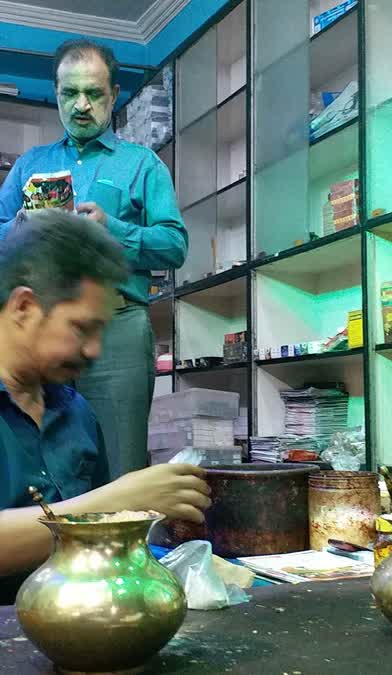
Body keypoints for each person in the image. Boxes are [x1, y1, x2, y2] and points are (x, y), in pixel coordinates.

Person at [0, 39, 188, 479]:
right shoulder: (30, 164)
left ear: (114, 95)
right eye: (70, 93)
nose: (81, 105)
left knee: (120, 465)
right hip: (37, 331)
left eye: (94, 93)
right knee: (34, 461)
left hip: (116, 330)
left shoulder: (143, 165)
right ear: (56, 93)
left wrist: (113, 228)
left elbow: (175, 244)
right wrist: (18, 229)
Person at [0, 210, 209, 604]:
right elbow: (104, 508)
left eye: (101, 331)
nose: (95, 350)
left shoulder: (76, 411)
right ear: (24, 307)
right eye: (81, 328)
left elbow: (98, 553)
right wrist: (119, 502)